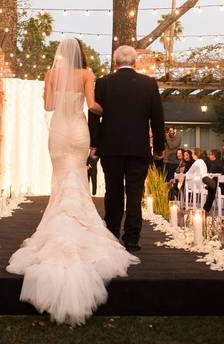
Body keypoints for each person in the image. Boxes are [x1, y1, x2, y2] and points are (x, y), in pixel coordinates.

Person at [7, 39, 140, 326]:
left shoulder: (51, 74)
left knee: (59, 181)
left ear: (60, 56)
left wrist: (57, 93)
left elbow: (48, 104)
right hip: (78, 131)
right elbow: (93, 106)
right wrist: (111, 113)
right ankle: (82, 224)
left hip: (58, 130)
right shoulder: (87, 74)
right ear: (81, 54)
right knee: (77, 177)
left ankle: (56, 223)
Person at [89, 45, 166, 252]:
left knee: (113, 192)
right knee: (135, 193)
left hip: (110, 147)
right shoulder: (149, 84)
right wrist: (159, 147)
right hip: (138, 148)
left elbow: (94, 115)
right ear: (135, 62)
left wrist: (93, 144)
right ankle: (132, 239)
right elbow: (157, 118)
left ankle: (112, 234)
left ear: (115, 62)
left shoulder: (103, 83)